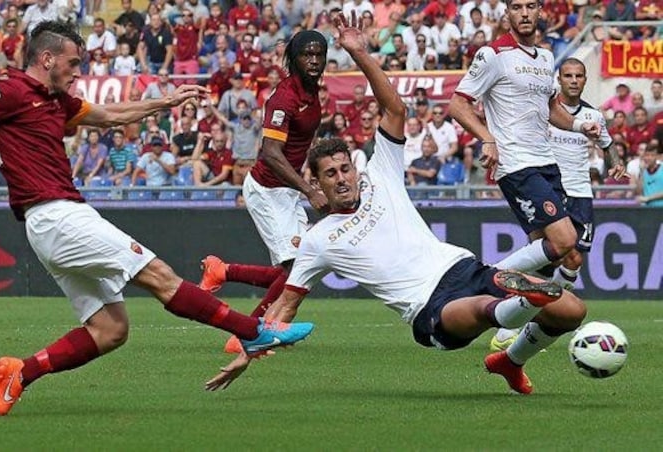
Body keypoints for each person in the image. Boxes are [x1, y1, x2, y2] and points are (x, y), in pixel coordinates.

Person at [0, 20, 314, 417]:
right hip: (57, 216)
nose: (78, 71)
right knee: (160, 276)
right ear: (47, 58)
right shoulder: (8, 90)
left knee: (110, 330)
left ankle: (19, 373)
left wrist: (164, 102)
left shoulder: (57, 101)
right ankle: (253, 332)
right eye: (72, 63)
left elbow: (110, 115)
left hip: (56, 221)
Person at [204, 13, 586, 395]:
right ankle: (516, 303)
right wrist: (247, 352)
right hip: (431, 307)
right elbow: (284, 308)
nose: (341, 179)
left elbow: (395, 110)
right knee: (484, 309)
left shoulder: (379, 175)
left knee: (573, 312)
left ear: (354, 169)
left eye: (344, 169)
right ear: (316, 184)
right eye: (330, 175)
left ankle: (509, 359)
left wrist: (359, 53)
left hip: (462, 267)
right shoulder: (318, 240)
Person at [448, 0, 601, 279]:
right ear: (507, 13)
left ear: (541, 11)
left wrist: (580, 125)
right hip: (517, 164)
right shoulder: (493, 54)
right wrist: (487, 138)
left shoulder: (544, 57)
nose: (525, 13)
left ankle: (519, 324)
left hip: (547, 163)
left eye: (531, 6)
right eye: (517, 7)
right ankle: (483, 279)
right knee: (565, 239)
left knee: (558, 260)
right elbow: (458, 105)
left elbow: (552, 107)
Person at [197, 29, 328, 353]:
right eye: (306, 55)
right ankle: (248, 333)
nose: (313, 60)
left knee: (299, 267)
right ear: (294, 59)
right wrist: (309, 191)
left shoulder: (312, 93)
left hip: (287, 190)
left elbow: (299, 147)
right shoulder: (284, 98)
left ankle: (222, 271)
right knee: (295, 267)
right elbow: (270, 152)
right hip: (268, 189)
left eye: (318, 54)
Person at [490, 58, 623, 350]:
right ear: (558, 80)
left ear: (585, 80)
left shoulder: (593, 115)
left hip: (581, 194)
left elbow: (607, 144)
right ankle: (514, 307)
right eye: (568, 76)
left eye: (579, 76)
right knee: (549, 257)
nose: (573, 80)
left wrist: (615, 163)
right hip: (549, 188)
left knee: (573, 260)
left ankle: (536, 312)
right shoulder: (544, 113)